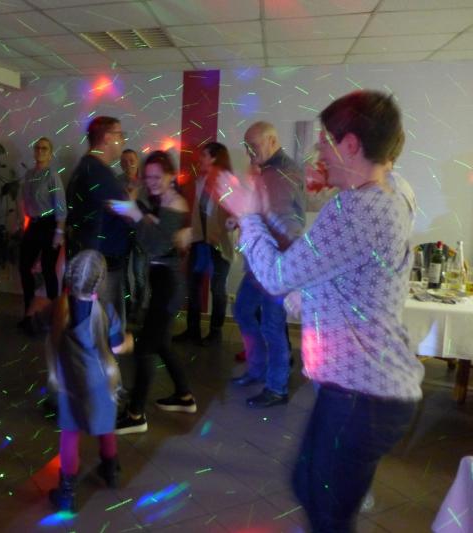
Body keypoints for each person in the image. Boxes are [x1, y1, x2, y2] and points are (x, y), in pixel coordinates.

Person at [216, 90, 423, 532]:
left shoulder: (359, 209)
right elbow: (329, 282)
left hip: (362, 394)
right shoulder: (392, 190)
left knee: (325, 509)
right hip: (363, 389)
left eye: (326, 141)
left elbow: (276, 277)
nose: (318, 151)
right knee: (309, 486)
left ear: (352, 144)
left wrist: (247, 215)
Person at [109, 151, 197, 435]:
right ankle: (184, 396)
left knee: (145, 348)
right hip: (162, 281)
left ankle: (136, 414)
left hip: (169, 285)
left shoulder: (176, 204)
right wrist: (135, 206)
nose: (152, 182)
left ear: (171, 176)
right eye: (148, 177)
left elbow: (155, 245)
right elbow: (148, 229)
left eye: (157, 177)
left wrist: (136, 212)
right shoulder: (161, 201)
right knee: (162, 344)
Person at [47, 250, 133, 511]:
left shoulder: (60, 306)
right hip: (101, 383)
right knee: (106, 426)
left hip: (70, 384)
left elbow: (39, 324)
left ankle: (67, 493)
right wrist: (130, 341)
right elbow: (118, 347)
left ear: (70, 276)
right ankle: (111, 470)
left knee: (70, 434)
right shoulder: (106, 311)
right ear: (101, 281)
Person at [231, 121, 305, 408]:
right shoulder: (269, 171)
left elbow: (282, 222)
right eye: (247, 147)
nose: (249, 152)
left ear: (272, 141)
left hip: (275, 264)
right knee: (243, 310)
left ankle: (277, 387)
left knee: (272, 326)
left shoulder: (281, 173)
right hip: (262, 263)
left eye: (254, 146)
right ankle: (259, 370)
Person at [66, 116, 131, 328]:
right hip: (102, 266)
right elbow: (127, 213)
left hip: (90, 261)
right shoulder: (98, 172)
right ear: (107, 138)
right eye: (120, 135)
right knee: (105, 329)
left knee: (91, 325)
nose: (123, 140)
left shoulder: (87, 168)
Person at [174, 142, 235, 346]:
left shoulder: (228, 182)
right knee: (193, 286)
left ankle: (215, 333)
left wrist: (230, 223)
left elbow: (236, 213)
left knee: (217, 289)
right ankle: (192, 330)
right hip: (200, 243)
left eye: (204, 155)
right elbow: (195, 213)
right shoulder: (199, 181)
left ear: (215, 158)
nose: (200, 159)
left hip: (220, 245)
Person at [16, 137, 66, 331]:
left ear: (50, 154)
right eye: (37, 148)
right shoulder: (29, 174)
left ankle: (53, 317)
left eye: (44, 148)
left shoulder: (52, 175)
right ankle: (28, 313)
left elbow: (60, 205)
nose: (40, 151)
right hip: (34, 225)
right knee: (24, 267)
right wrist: (22, 222)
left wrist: (59, 231)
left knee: (48, 270)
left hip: (49, 225)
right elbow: (24, 200)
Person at [117, 148, 148, 322]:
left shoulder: (146, 182)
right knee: (122, 273)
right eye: (124, 161)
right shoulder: (117, 182)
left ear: (137, 161)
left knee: (139, 273)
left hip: (141, 233)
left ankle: (139, 307)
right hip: (122, 232)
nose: (127, 164)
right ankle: (127, 305)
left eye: (131, 160)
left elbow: (150, 210)